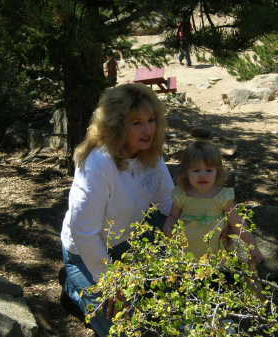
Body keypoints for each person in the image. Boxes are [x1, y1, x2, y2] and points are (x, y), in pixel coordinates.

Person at [60, 83, 174, 337]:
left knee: (163, 307)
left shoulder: (150, 155)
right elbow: (84, 232)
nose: (147, 130)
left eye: (151, 120)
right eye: (136, 123)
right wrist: (111, 282)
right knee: (121, 328)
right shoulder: (99, 162)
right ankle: (74, 287)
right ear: (117, 125)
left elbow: (170, 204)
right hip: (85, 253)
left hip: (128, 242)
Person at [163, 141, 263, 265]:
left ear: (218, 172)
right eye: (196, 170)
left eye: (209, 170)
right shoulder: (182, 195)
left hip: (215, 254)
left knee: (216, 279)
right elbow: (173, 216)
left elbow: (237, 223)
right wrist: (168, 227)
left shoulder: (222, 197)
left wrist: (252, 247)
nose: (202, 175)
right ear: (186, 173)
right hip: (186, 252)